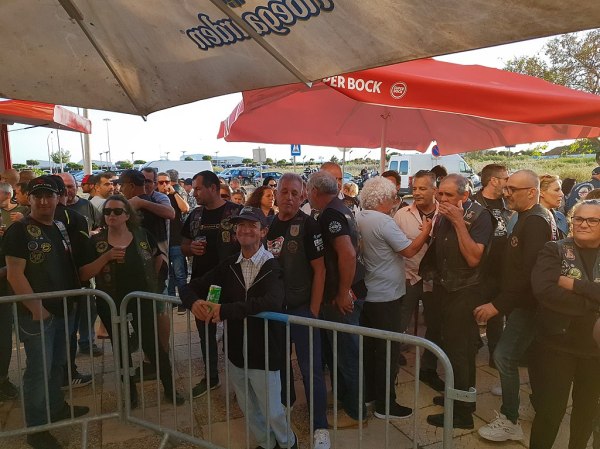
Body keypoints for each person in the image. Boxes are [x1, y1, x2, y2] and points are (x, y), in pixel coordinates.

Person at [181, 206, 298, 449]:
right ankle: (266, 443)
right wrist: (194, 303)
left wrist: (224, 310)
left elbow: (271, 301)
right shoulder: (230, 264)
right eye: (240, 225)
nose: (245, 230)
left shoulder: (273, 265)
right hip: (236, 352)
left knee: (273, 409)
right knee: (248, 406)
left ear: (263, 231)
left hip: (265, 353)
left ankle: (288, 444)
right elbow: (190, 286)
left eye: (252, 225)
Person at [2, 176, 89, 449]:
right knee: (38, 371)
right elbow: (15, 274)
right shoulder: (19, 230)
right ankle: (37, 429)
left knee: (57, 365)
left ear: (58, 198)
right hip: (36, 315)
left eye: (48, 195)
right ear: (28, 198)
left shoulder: (60, 226)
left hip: (63, 309)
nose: (43, 201)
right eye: (37, 196)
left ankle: (56, 408)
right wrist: (36, 308)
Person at [474, 170, 559, 442]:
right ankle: (536, 404)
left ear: (531, 192)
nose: (506, 193)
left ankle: (510, 419)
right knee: (532, 357)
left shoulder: (535, 221)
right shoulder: (526, 215)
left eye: (512, 189)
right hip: (522, 303)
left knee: (504, 356)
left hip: (528, 305)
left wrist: (497, 305)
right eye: (506, 187)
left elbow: (528, 273)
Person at [80, 195, 184, 406]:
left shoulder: (142, 235)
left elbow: (158, 257)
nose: (111, 215)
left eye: (117, 211)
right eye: (107, 211)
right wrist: (106, 257)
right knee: (121, 348)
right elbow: (84, 274)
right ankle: (130, 392)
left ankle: (169, 388)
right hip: (110, 303)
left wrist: (153, 284)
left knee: (153, 345)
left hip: (141, 300)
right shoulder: (96, 242)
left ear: (128, 215)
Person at [420, 174, 494, 429]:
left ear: (465, 195)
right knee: (452, 347)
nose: (442, 199)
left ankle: (462, 414)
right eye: (440, 193)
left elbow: (473, 258)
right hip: (446, 289)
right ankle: (458, 397)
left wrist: (459, 223)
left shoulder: (480, 216)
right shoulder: (443, 213)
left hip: (465, 292)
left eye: (448, 195)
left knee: (460, 351)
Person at [356, 177, 432, 420]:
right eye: (393, 198)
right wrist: (426, 232)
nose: (395, 202)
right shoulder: (383, 221)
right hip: (387, 295)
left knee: (370, 349)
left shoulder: (360, 217)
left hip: (369, 294)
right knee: (387, 351)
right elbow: (409, 250)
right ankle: (386, 404)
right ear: (383, 199)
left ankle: (369, 394)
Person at [529, 199, 600, 449]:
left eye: (592, 220)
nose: (583, 224)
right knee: (549, 411)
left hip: (595, 350)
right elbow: (545, 290)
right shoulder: (555, 250)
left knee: (586, 411)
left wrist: (574, 285)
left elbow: (561, 290)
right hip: (557, 344)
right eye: (578, 218)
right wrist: (593, 303)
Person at [266, 173, 330, 449]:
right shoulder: (268, 225)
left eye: (295, 193)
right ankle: (284, 413)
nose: (289, 198)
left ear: (302, 196)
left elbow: (320, 270)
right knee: (279, 366)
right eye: (284, 192)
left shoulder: (309, 225)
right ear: (276, 194)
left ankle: (320, 426)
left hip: (303, 309)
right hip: (275, 311)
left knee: (311, 369)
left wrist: (313, 312)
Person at [307, 171, 366, 428]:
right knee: (341, 352)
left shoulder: (330, 214)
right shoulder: (342, 208)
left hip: (343, 296)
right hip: (347, 291)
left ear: (314, 191)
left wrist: (343, 292)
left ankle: (356, 412)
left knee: (347, 355)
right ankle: (345, 400)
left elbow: (348, 254)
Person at [181, 170, 242, 397]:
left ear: (213, 188)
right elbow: (183, 244)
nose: (194, 193)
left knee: (235, 334)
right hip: (203, 283)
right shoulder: (195, 215)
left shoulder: (236, 213)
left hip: (233, 283)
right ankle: (211, 376)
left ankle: (239, 380)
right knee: (205, 333)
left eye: (198, 188)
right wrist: (190, 248)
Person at [394, 170, 444, 391]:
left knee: (435, 325)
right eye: (415, 188)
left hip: (435, 280)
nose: (417, 193)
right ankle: (392, 363)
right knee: (399, 322)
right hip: (408, 276)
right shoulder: (402, 215)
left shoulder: (446, 213)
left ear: (435, 190)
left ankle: (428, 368)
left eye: (423, 188)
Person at [473, 164, 514, 370]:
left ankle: (494, 356)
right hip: (478, 271)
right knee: (472, 311)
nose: (509, 182)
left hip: (502, 270)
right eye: (506, 178)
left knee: (497, 314)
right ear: (494, 180)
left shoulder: (510, 203)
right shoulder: (473, 203)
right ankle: (470, 349)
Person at [156, 172, 190, 305]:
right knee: (168, 275)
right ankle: (171, 301)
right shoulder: (155, 198)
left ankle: (183, 301)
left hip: (176, 241)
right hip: (162, 242)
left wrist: (174, 193)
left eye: (167, 182)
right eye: (161, 182)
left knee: (179, 274)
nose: (164, 185)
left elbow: (185, 208)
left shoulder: (174, 196)